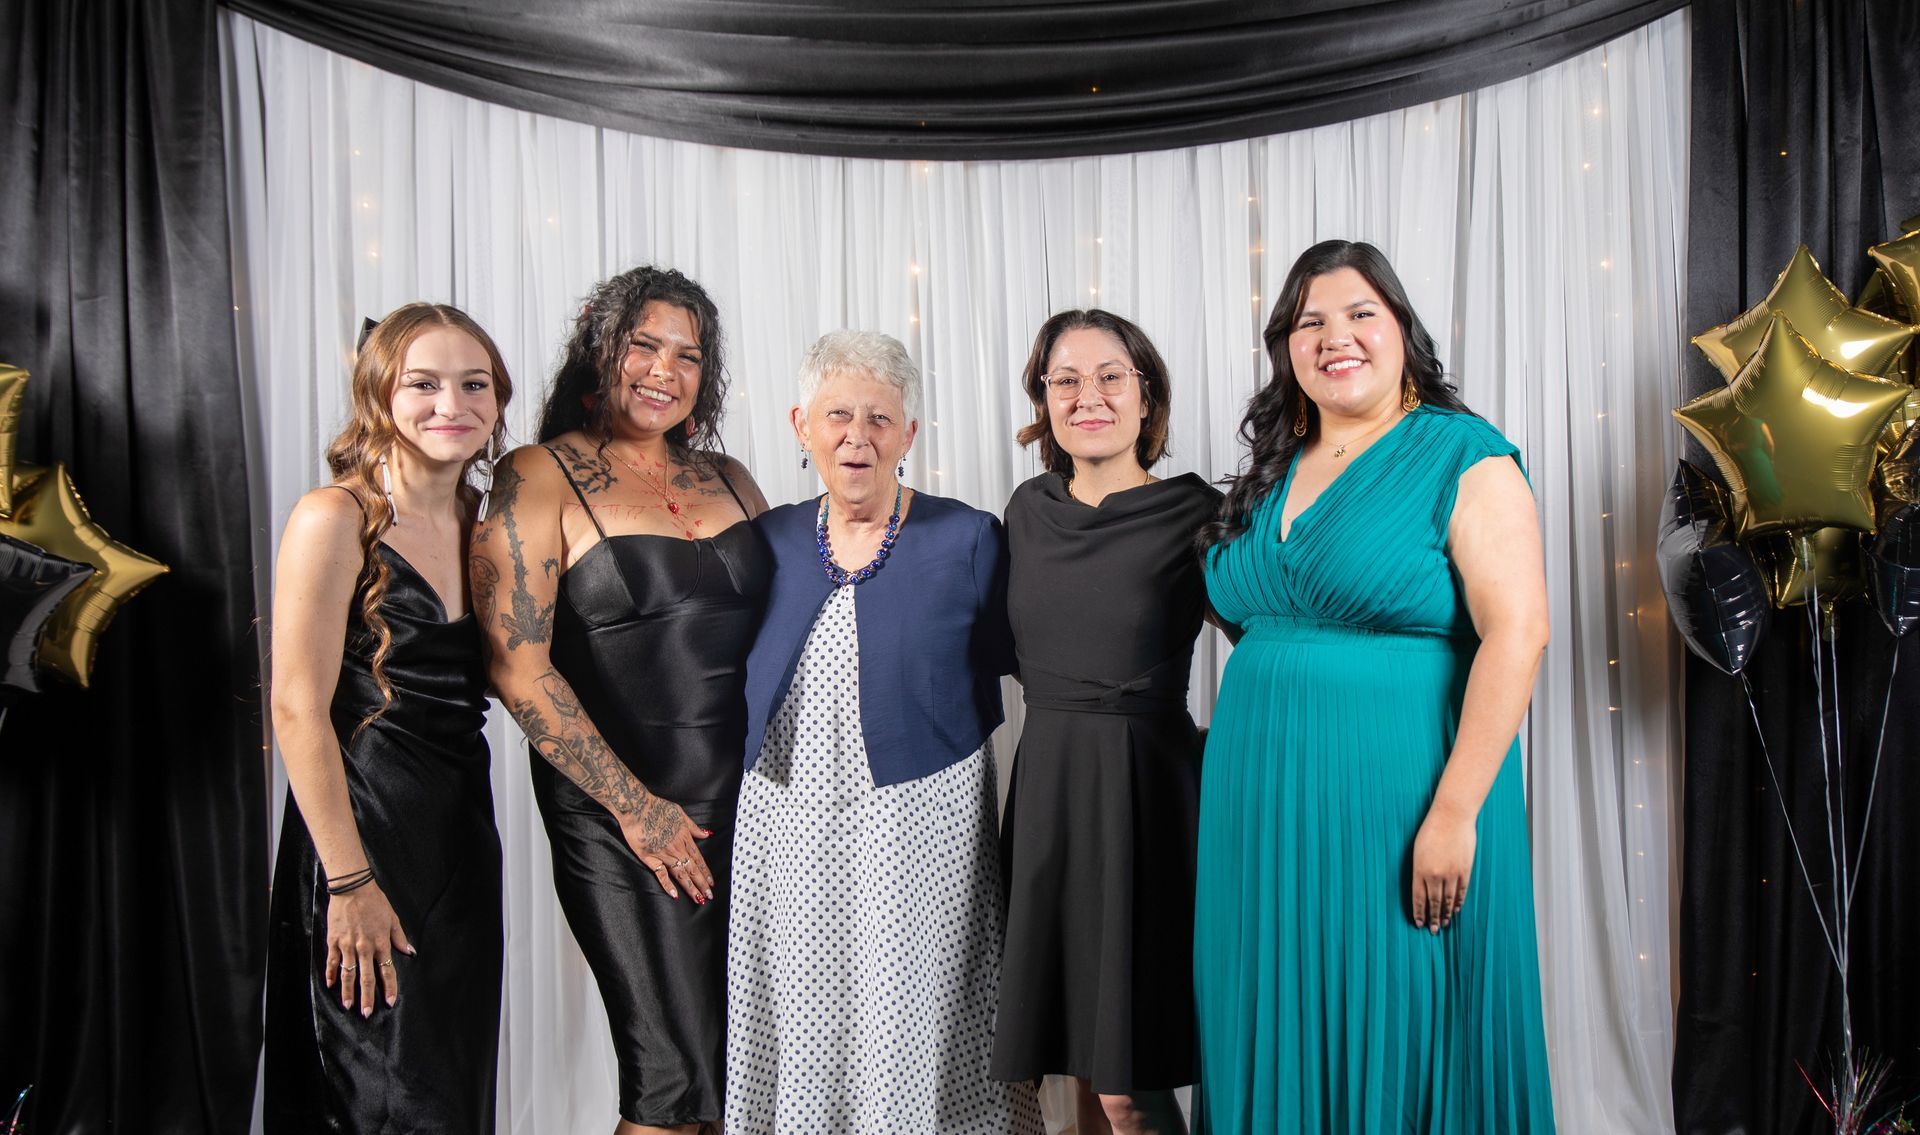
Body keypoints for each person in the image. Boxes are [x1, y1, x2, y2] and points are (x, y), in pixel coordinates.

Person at [1192, 240, 1556, 1132]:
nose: (1335, 336)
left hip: (1404, 799)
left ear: (1402, 329)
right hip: (1261, 815)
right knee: (1269, 1004)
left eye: (1360, 314)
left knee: (1402, 1010)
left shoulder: (1461, 453)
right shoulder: (1274, 468)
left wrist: (1454, 813)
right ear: (1287, 347)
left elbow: (1520, 630)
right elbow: (1264, 620)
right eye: (1309, 321)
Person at [471, 267, 769, 1135]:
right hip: (622, 816)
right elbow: (516, 667)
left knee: (728, 1083)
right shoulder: (536, 473)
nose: (663, 370)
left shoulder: (733, 476)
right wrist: (639, 810)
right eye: (644, 344)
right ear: (601, 348)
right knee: (669, 1084)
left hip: (749, 813)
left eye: (688, 354)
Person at [724, 330, 1044, 1135]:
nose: (856, 436)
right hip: (788, 818)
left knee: (914, 1003)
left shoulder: (967, 537)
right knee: (803, 1001)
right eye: (837, 415)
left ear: (908, 433)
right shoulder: (769, 540)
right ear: (802, 424)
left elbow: (1035, 666)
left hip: (923, 821)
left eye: (879, 417)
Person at [264, 303, 513, 1132]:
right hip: (362, 841)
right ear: (380, 393)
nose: (454, 404)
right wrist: (348, 881)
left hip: (461, 849)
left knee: (453, 1096)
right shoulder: (333, 516)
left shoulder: (487, 526)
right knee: (376, 1103)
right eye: (425, 383)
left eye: (474, 384)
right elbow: (296, 707)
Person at [990, 310, 1219, 1135]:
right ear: (1044, 399)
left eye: (1110, 375)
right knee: (1079, 1062)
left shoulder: (1196, 512)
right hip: (1049, 785)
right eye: (1066, 380)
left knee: (1130, 1080)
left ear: (1145, 390)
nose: (1089, 395)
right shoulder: (1026, 510)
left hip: (1145, 795)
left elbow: (1268, 645)